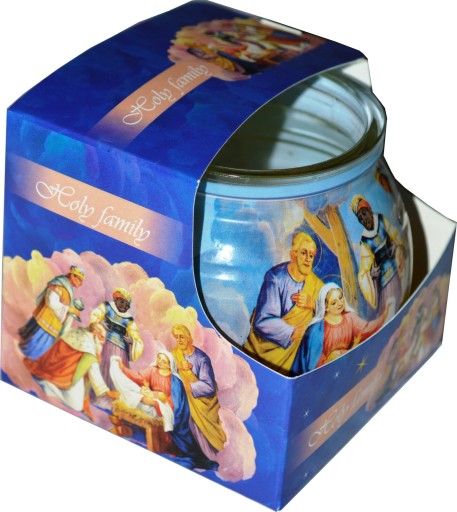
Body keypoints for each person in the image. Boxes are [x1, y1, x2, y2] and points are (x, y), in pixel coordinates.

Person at [109, 349, 217, 470]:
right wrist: (123, 368)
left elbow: (175, 401)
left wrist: (156, 399)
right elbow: (138, 376)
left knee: (140, 399)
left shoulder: (175, 380)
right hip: (151, 400)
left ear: (170, 365)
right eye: (159, 359)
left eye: (164, 361)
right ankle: (139, 402)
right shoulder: (152, 370)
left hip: (164, 408)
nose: (160, 362)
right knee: (133, 391)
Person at [244, 232, 324, 374]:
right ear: (293, 255)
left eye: (311, 255)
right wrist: (293, 332)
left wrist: (314, 305)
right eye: (303, 253)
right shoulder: (276, 278)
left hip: (297, 357)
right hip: (266, 352)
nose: (308, 259)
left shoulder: (317, 285)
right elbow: (263, 321)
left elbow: (332, 313)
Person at [291, 283, 391, 375]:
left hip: (346, 368)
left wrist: (384, 316)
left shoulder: (349, 318)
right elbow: (314, 364)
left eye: (340, 297)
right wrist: (335, 357)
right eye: (334, 303)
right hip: (327, 374)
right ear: (326, 307)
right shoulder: (317, 330)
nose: (340, 303)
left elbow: (367, 329)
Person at [23, 323, 110, 420]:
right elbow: (94, 372)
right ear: (94, 332)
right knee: (77, 406)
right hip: (64, 375)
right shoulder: (89, 348)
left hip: (54, 369)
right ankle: (47, 385)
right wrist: (105, 391)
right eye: (101, 337)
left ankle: (48, 383)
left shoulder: (77, 332)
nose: (103, 341)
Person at [171, 324, 226, 460]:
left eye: (182, 337)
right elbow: (162, 368)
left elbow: (209, 387)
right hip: (181, 399)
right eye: (176, 337)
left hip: (202, 405)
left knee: (201, 435)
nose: (179, 340)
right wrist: (177, 366)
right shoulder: (174, 355)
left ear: (189, 339)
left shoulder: (202, 359)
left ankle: (205, 457)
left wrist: (190, 386)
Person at [351, 195, 405, 314]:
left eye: (364, 214)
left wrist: (397, 248)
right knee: (389, 308)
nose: (364, 220)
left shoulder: (381, 220)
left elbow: (397, 237)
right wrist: (371, 274)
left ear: (369, 210)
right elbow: (364, 270)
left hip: (395, 270)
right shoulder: (365, 241)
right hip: (384, 281)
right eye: (360, 219)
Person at [19, 265, 85, 360]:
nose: (81, 284)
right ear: (72, 276)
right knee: (31, 349)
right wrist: (69, 310)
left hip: (53, 323)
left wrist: (71, 310)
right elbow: (51, 302)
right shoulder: (59, 284)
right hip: (45, 321)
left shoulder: (68, 288)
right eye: (79, 280)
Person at [90, 288, 143, 390]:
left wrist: (131, 340)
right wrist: (100, 324)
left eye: (127, 305)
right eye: (122, 302)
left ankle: (113, 394)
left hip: (120, 352)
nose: (124, 306)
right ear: (116, 300)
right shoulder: (106, 307)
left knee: (116, 374)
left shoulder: (129, 320)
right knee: (100, 369)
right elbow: (95, 317)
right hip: (104, 344)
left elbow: (136, 337)